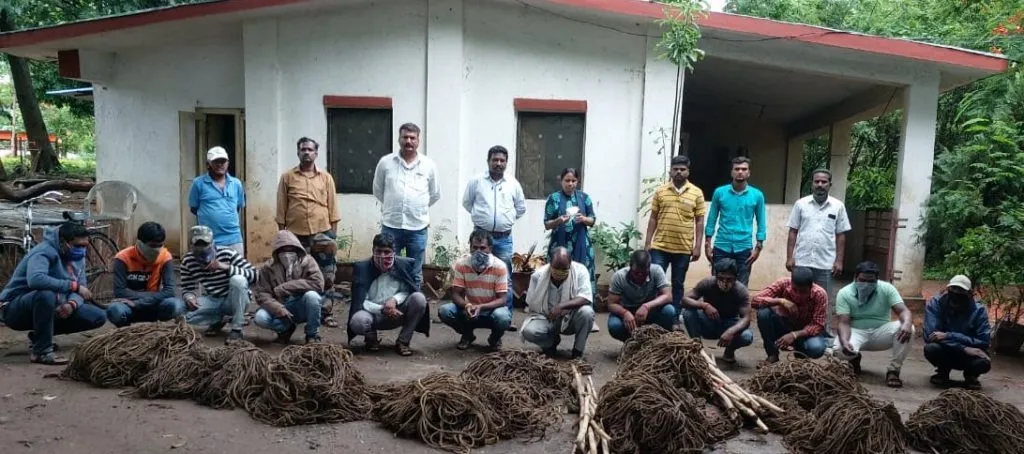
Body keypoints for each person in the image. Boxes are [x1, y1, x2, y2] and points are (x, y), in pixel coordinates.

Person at [0, 222, 106, 365]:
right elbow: (36, 280)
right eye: (78, 246)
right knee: (45, 294)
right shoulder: (43, 252)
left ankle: (40, 336)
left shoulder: (77, 258)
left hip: (54, 306)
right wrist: (72, 286)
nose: (82, 250)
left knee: (97, 316)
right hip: (14, 309)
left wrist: (71, 304)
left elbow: (82, 286)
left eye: (84, 246)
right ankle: (41, 351)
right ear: (63, 242)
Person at [276, 137, 341, 327]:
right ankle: (298, 310)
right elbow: (281, 208)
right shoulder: (288, 177)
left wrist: (332, 236)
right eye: (303, 149)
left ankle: (326, 311)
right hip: (296, 236)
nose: (306, 152)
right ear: (298, 152)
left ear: (316, 153)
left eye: (310, 149)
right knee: (296, 274)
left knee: (326, 274)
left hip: (322, 233)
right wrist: (283, 236)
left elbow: (333, 207)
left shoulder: (326, 177)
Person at [372, 123, 441, 287]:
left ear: (418, 141)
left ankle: (414, 309)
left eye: (412, 138)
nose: (408, 141)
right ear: (399, 139)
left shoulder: (428, 165)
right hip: (391, 226)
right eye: (405, 137)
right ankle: (387, 307)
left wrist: (417, 208)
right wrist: (393, 204)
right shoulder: (385, 163)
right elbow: (378, 190)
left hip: (417, 228)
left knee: (415, 272)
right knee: (386, 268)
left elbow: (435, 194)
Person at [786, 169, 852, 336]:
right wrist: (789, 257)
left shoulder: (838, 206)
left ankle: (824, 332)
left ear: (830, 184)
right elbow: (793, 231)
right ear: (812, 183)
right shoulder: (801, 204)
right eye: (817, 182)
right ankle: (796, 331)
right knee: (798, 298)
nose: (820, 185)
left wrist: (839, 261)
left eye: (824, 182)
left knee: (824, 300)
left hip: (825, 263)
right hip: (802, 261)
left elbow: (841, 235)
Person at [461, 145, 525, 312]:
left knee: (505, 277)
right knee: (476, 273)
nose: (498, 163)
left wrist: (507, 220)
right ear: (488, 161)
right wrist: (483, 218)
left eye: (502, 160)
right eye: (495, 160)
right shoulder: (476, 181)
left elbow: (520, 208)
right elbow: (467, 203)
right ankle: (473, 310)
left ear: (506, 163)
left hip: (503, 238)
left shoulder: (513, 183)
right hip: (481, 237)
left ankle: (505, 315)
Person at [832, 261, 914, 387]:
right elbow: (844, 322)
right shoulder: (845, 293)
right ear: (855, 277)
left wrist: (907, 323)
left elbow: (903, 310)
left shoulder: (887, 288)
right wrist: (844, 341)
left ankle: (894, 370)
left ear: (877, 279)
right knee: (839, 350)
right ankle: (854, 358)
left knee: (909, 329)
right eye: (862, 280)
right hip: (856, 331)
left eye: (871, 281)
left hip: (881, 332)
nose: (866, 284)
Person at [348, 232, 429, 357]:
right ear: (372, 250)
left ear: (393, 252)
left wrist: (394, 300)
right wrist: (382, 309)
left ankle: (403, 341)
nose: (382, 256)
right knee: (358, 321)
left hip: (398, 313)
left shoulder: (403, 265)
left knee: (419, 299)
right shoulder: (362, 268)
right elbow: (360, 300)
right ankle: (370, 337)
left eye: (386, 252)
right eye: (378, 251)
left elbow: (408, 290)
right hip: (373, 315)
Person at [644, 155, 706, 311]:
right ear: (670, 171)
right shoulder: (661, 191)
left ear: (688, 171)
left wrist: (697, 246)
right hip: (660, 247)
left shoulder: (696, 193)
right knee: (655, 281)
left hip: (683, 248)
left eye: (682, 169)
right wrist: (647, 243)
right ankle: (655, 314)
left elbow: (699, 221)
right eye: (675, 169)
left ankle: (675, 316)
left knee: (678, 283)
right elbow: (653, 218)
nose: (679, 172)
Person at [179, 225, 257, 343]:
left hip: (234, 299)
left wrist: (226, 267)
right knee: (182, 314)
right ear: (191, 246)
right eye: (198, 245)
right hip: (212, 299)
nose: (202, 249)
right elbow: (187, 287)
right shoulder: (187, 261)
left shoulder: (227, 253)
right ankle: (219, 320)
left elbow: (255, 275)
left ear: (212, 243)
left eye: (205, 244)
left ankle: (236, 328)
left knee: (238, 280)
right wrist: (189, 297)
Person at [543, 167, 599, 332]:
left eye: (573, 181)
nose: (570, 184)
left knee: (586, 278)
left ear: (578, 181)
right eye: (567, 180)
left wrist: (584, 219)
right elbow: (547, 223)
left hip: (581, 245)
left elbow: (593, 220)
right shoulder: (553, 199)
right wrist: (558, 221)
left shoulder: (584, 198)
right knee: (556, 277)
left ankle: (589, 316)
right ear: (561, 181)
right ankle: (553, 313)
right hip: (559, 247)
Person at [438, 230, 512, 351]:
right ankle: (467, 335)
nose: (478, 251)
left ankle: (494, 338)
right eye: (475, 247)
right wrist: (467, 305)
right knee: (445, 311)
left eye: (483, 248)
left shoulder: (500, 266)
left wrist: (481, 307)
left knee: (503, 318)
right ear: (470, 247)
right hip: (469, 309)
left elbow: (503, 299)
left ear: (490, 248)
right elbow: (455, 293)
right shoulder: (462, 265)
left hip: (491, 310)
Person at [106, 222, 186, 327]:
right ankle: (126, 332)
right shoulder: (123, 258)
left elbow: (170, 291)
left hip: (150, 305)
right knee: (115, 310)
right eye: (152, 246)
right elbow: (120, 291)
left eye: (160, 245)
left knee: (176, 305)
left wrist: (139, 302)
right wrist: (155, 296)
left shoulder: (165, 256)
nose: (156, 250)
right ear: (139, 243)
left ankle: (157, 326)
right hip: (129, 306)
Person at [252, 230, 325, 344]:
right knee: (260, 318)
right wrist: (278, 308)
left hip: (300, 304)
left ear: (297, 249)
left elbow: (318, 284)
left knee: (313, 297)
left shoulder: (307, 261)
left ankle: (312, 335)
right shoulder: (268, 267)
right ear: (277, 252)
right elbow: (262, 294)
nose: (287, 254)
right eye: (283, 250)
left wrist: (285, 287)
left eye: (291, 250)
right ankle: (285, 329)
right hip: (280, 305)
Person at [521, 247, 595, 359]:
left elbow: (585, 297)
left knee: (587, 312)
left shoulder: (580, 271)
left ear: (570, 264)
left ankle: (577, 352)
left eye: (564, 269)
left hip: (570, 318)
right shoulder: (538, 276)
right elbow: (531, 304)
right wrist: (546, 313)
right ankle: (550, 344)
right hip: (546, 318)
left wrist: (561, 306)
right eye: (556, 268)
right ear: (550, 263)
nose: (560, 272)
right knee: (528, 331)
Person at [704, 157, 766, 286]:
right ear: (731, 172)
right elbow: (711, 219)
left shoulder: (757, 195)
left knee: (741, 287)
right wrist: (707, 245)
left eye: (744, 169)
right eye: (737, 169)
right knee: (717, 284)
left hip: (744, 248)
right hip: (721, 245)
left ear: (749, 173)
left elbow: (761, 223)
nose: (740, 172)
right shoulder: (720, 193)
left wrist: (758, 248)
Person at [923, 275, 991, 390]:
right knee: (931, 348)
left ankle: (971, 375)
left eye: (961, 290)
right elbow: (931, 335)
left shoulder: (978, 311)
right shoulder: (936, 303)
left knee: (983, 362)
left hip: (968, 355)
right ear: (947, 289)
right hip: (948, 350)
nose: (956, 292)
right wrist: (964, 348)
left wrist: (949, 335)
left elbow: (984, 341)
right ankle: (942, 371)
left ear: (969, 293)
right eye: (953, 288)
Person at [682, 258, 754, 363]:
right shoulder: (707, 283)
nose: (724, 283)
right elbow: (684, 300)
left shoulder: (741, 290)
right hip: (709, 321)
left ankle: (729, 351)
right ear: (716, 276)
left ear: (735, 278)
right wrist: (704, 305)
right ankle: (697, 349)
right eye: (721, 278)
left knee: (746, 336)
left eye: (729, 279)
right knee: (688, 313)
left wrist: (731, 331)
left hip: (729, 323)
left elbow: (747, 318)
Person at [752, 267, 828, 366]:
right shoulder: (783, 283)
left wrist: (794, 335)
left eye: (803, 292)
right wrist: (780, 301)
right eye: (795, 290)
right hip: (784, 325)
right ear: (791, 283)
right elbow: (755, 300)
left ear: (811, 287)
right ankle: (772, 355)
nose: (798, 295)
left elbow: (818, 325)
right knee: (763, 313)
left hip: (805, 332)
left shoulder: (820, 294)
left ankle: (801, 356)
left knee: (816, 348)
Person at [605, 250, 676, 342]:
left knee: (669, 311)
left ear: (649, 267)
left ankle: (656, 341)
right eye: (636, 272)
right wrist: (624, 313)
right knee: (614, 326)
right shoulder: (619, 276)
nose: (640, 276)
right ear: (630, 267)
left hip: (650, 311)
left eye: (644, 273)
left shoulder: (656, 270)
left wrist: (647, 306)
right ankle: (633, 344)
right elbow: (611, 304)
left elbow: (668, 295)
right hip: (628, 311)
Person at [189, 146, 246, 255]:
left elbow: (237, 207)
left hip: (234, 238)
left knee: (236, 270)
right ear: (208, 164)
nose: (220, 164)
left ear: (228, 163)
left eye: (223, 161)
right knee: (210, 270)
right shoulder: (198, 183)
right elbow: (194, 208)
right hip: (207, 239)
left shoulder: (236, 183)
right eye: (216, 161)